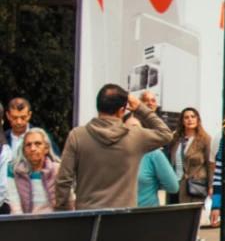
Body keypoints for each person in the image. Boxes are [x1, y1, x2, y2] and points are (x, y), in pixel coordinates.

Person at [55, 83, 174, 211]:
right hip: (123, 216)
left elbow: (64, 180)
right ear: (122, 110)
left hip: (87, 216)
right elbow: (166, 134)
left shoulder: (77, 136)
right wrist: (140, 107)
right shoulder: (135, 136)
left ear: (98, 106)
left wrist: (63, 210)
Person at [4, 127, 59, 214]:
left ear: (46, 148)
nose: (33, 148)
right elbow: (16, 209)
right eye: (28, 145)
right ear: (24, 150)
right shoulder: (14, 171)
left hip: (54, 220)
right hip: (24, 221)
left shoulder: (57, 170)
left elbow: (68, 202)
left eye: (38, 144)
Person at [173, 106, 214, 205]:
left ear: (198, 119)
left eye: (193, 116)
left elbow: (210, 164)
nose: (190, 119)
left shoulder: (205, 139)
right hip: (175, 184)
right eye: (186, 117)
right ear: (182, 121)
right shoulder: (176, 139)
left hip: (195, 185)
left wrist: (211, 186)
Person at [137, 142, 181, 207]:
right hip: (146, 210)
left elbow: (173, 187)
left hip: (122, 212)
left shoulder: (153, 153)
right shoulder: (153, 152)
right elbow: (173, 187)